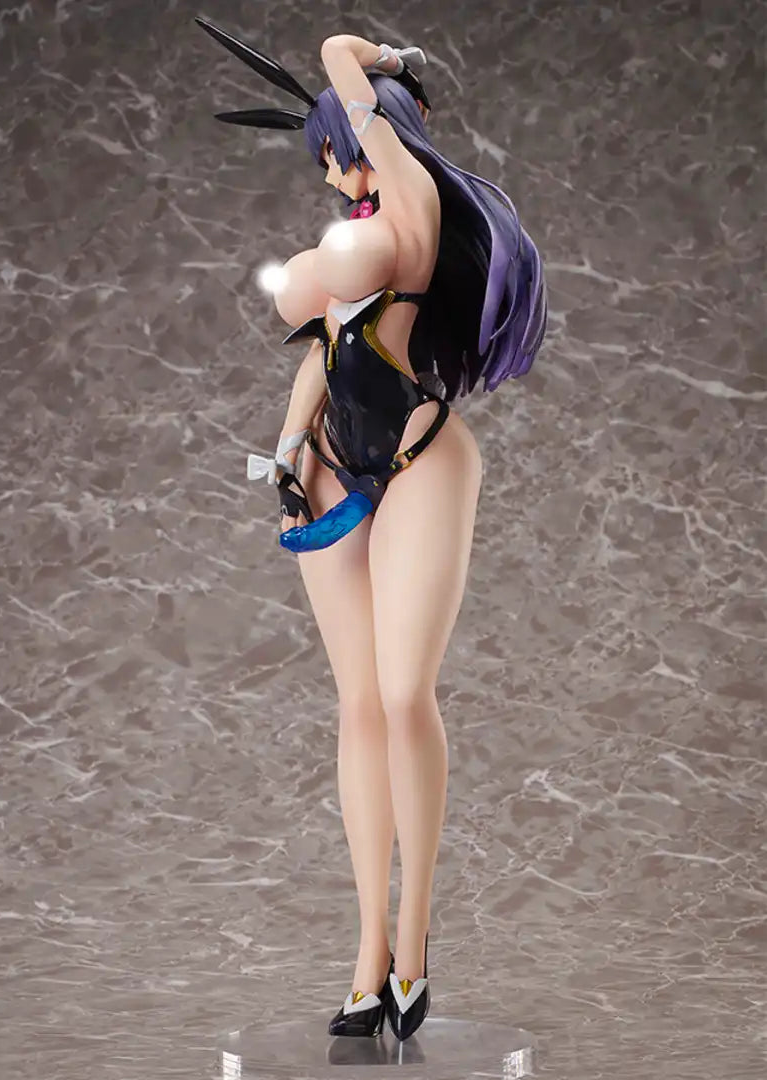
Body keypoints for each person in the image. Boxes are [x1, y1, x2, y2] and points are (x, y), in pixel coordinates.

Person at [196, 18, 547, 1042]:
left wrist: (383, 65)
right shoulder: (350, 248)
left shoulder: (411, 206)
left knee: (401, 695)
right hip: (331, 470)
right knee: (356, 706)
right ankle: (366, 952)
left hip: (420, 459)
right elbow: (322, 352)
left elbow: (335, 48)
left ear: (379, 135)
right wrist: (284, 450)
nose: (336, 175)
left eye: (344, 151)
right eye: (326, 161)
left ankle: (417, 937)